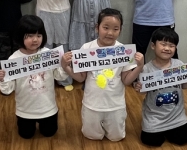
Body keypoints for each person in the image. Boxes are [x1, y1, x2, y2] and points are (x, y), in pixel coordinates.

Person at [61, 8, 145, 141]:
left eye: (115, 29)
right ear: (97, 28)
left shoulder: (124, 51)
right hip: (92, 104)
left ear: (120, 30)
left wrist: (139, 67)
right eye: (106, 28)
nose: (110, 33)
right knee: (91, 135)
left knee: (117, 137)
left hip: (115, 104)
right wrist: (66, 67)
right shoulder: (86, 48)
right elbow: (81, 78)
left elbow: (126, 81)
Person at [0, 15, 68, 139]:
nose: (35, 40)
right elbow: (7, 90)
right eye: (30, 36)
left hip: (48, 108)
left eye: (39, 36)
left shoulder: (48, 54)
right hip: (25, 110)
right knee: (26, 135)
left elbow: (60, 77)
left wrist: (64, 65)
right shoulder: (13, 59)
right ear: (20, 36)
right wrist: (2, 79)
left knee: (49, 133)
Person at [134, 28, 187, 146]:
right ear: (153, 46)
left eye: (171, 46)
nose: (167, 48)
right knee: (151, 142)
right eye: (163, 44)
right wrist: (139, 88)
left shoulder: (179, 65)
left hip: (176, 117)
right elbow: (142, 92)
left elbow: (185, 86)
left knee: (184, 140)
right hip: (154, 118)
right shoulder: (146, 68)